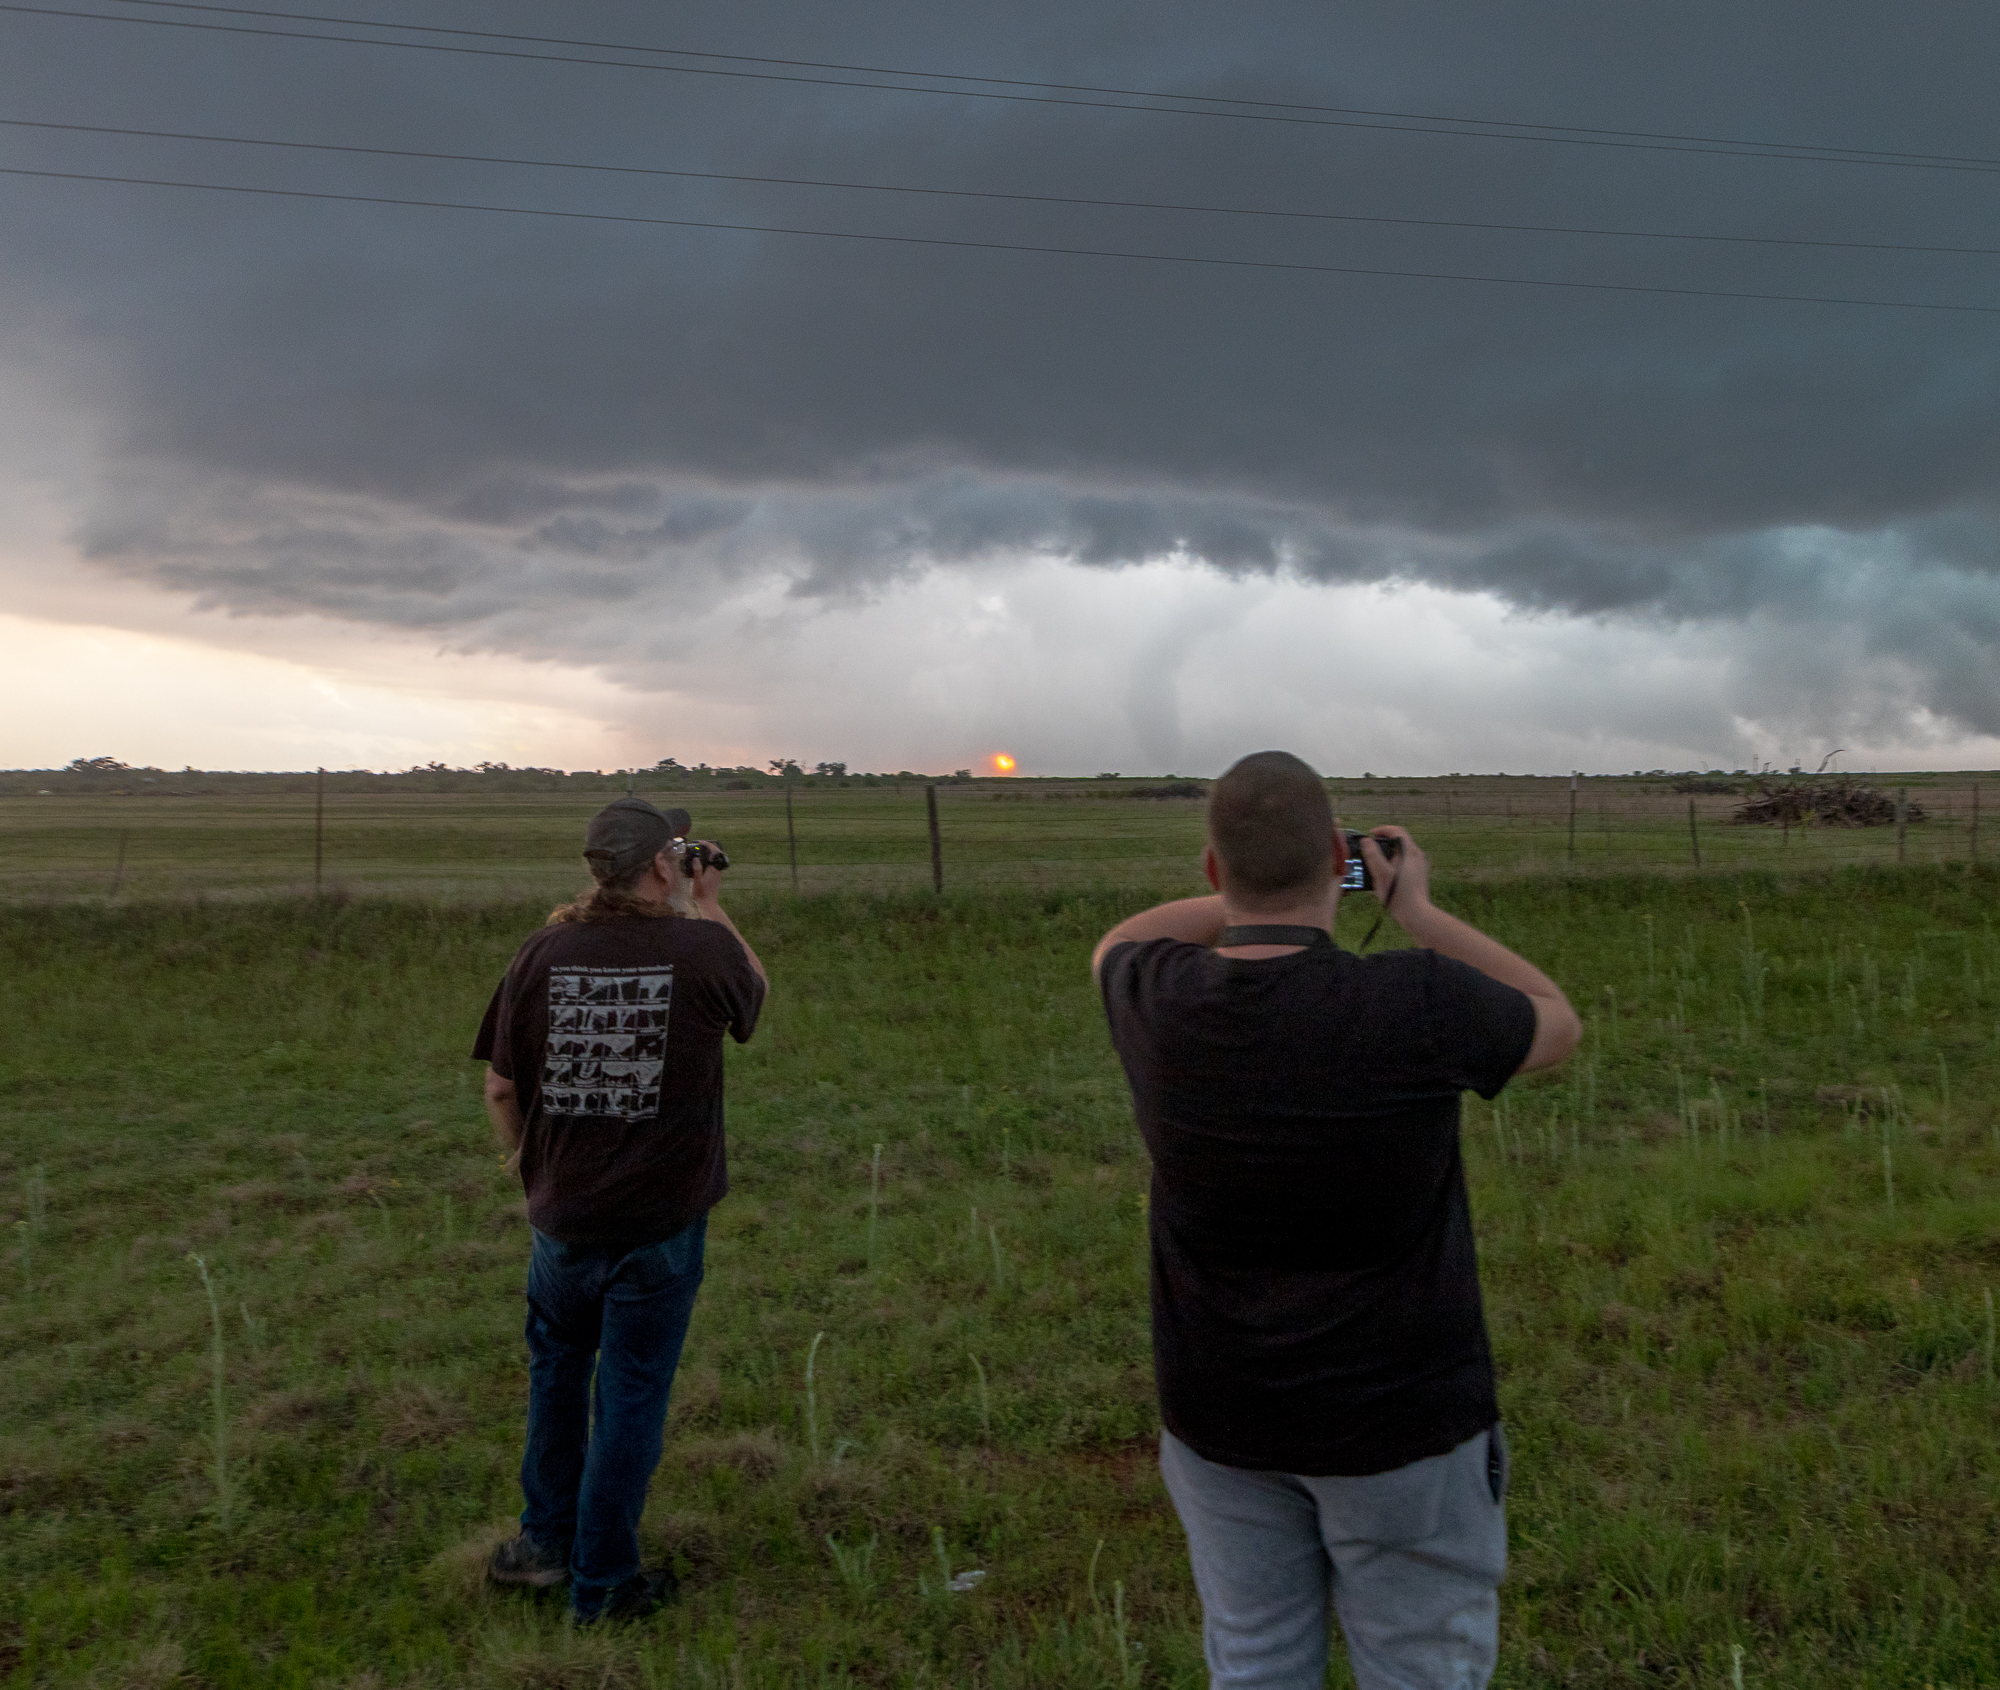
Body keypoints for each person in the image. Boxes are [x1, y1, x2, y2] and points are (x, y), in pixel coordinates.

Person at [1092, 751, 1580, 1690]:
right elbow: (1554, 1021)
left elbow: (1118, 937)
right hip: (1401, 1421)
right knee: (1420, 1665)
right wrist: (1417, 914)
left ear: (1209, 869)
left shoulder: (1154, 994)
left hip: (1221, 1413)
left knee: (1257, 1659)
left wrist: (1255, 891)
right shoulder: (1418, 998)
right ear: (1334, 859)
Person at [474, 797, 767, 1624]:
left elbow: (501, 1085)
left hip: (561, 1220)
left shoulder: (541, 951)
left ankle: (542, 1544)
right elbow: (754, 994)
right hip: (659, 1222)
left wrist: (527, 1164)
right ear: (662, 866)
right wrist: (708, 904)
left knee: (557, 1375)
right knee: (631, 1393)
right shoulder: (703, 948)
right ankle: (603, 1584)